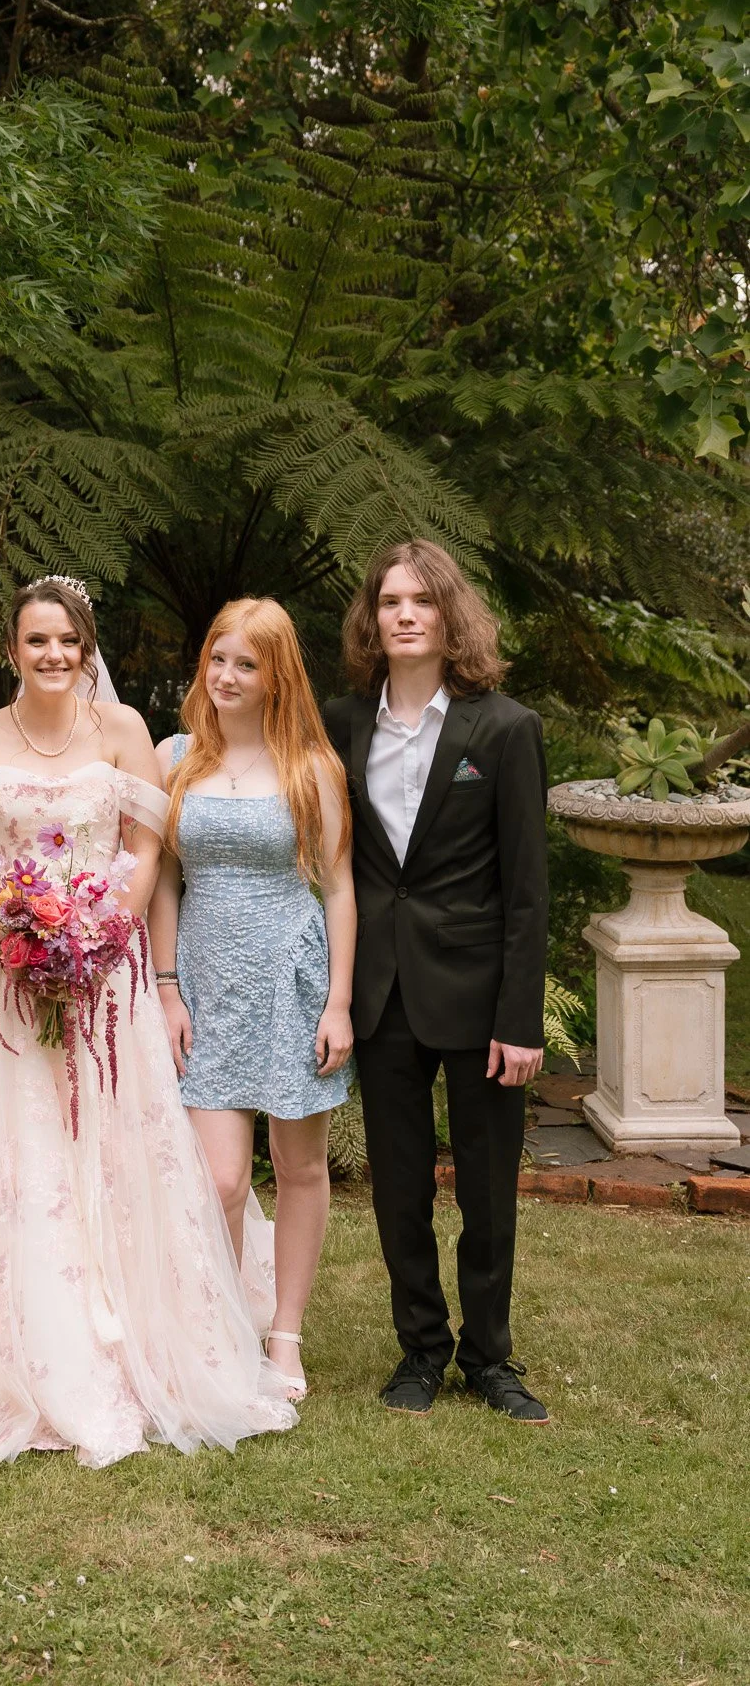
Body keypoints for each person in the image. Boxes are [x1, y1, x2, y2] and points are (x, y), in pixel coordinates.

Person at [0, 576, 295, 1466]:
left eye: (67, 643)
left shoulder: (121, 735)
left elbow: (146, 849)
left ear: (86, 651)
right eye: (35, 642)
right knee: (5, 1157)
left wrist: (94, 935)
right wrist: (12, 945)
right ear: (11, 651)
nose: (52, 657)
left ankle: (132, 1337)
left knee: (110, 1154)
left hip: (104, 976)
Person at [323, 541, 549, 1422]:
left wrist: (520, 1018)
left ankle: (489, 1358)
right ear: (371, 620)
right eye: (389, 601)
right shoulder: (342, 724)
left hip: (480, 990)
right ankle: (419, 1348)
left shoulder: (502, 728)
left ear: (449, 614)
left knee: (489, 1191)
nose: (405, 614)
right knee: (399, 1187)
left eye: (421, 600)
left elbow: (527, 889)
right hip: (381, 990)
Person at [149, 598, 355, 1403]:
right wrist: (166, 987)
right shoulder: (176, 758)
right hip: (202, 978)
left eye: (246, 664)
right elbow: (163, 879)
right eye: (217, 659)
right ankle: (219, 1321)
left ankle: (284, 1334)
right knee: (221, 1178)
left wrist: (336, 1002)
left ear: (276, 676)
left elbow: (338, 888)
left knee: (299, 1167)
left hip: (288, 979)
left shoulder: (309, 767)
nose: (227, 676)